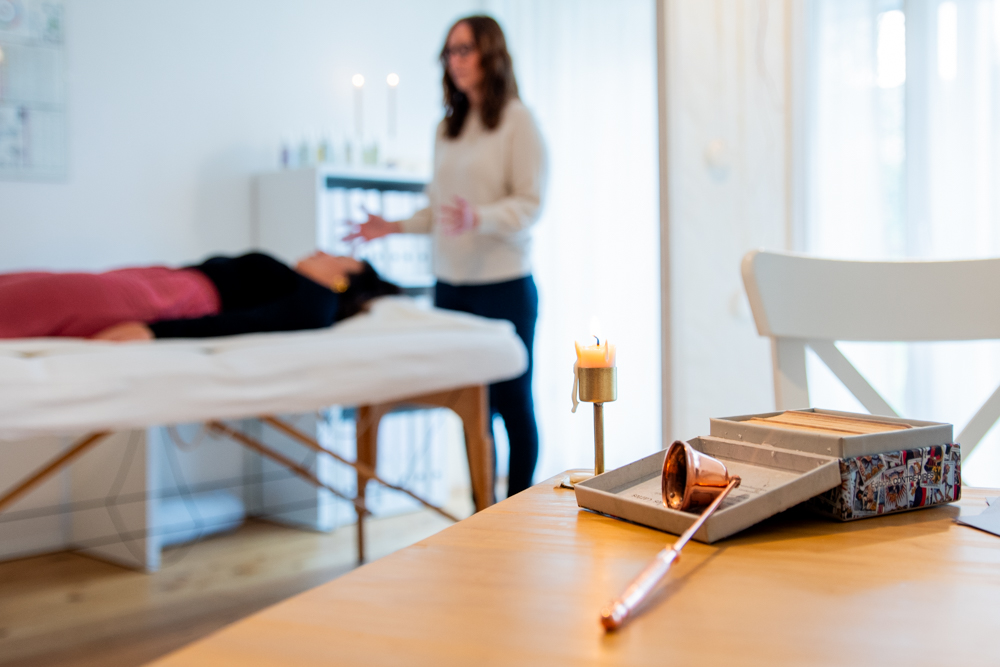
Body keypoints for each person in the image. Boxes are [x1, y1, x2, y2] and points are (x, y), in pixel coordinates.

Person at [345, 16, 547, 496]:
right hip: (451, 286)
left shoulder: (519, 121)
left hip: (504, 284)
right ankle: (484, 508)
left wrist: (480, 216)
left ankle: (519, 505)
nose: (454, 61)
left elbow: (530, 204)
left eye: (464, 50)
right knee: (471, 403)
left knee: (513, 402)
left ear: (491, 55)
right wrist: (391, 227)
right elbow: (440, 209)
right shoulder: (446, 129)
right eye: (449, 52)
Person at [0, 251, 400, 341]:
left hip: (170, 300)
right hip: (162, 283)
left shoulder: (317, 303)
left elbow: (244, 324)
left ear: (345, 279)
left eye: (335, 255)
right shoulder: (307, 293)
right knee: (22, 284)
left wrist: (154, 331)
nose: (320, 251)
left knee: (32, 301)